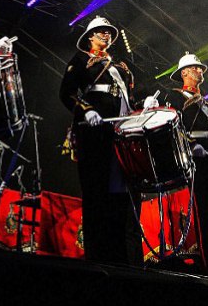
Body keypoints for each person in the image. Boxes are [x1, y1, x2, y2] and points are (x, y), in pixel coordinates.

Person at [58, 16, 142, 265]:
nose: (105, 35)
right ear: (90, 37)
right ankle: (97, 258)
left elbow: (127, 97)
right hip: (96, 132)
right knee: (97, 194)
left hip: (122, 133)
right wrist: (85, 109)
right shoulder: (81, 60)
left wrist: (142, 108)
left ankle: (121, 257)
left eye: (108, 32)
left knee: (121, 196)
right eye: (100, 32)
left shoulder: (120, 66)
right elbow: (67, 92)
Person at [151, 52, 208, 274]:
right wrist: (190, 146)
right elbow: (172, 127)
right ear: (184, 72)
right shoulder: (176, 96)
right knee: (205, 211)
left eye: (200, 68)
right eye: (195, 68)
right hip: (197, 158)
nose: (200, 71)